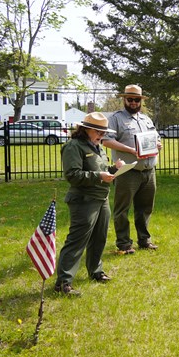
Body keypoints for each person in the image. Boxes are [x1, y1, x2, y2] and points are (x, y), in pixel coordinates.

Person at [55, 112, 124, 296]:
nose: (101, 135)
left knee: (99, 238)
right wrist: (99, 176)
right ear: (85, 129)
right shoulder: (73, 147)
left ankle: (96, 271)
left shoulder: (97, 147)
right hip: (83, 201)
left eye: (103, 132)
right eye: (98, 131)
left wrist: (114, 169)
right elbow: (73, 175)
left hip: (101, 199)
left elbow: (100, 170)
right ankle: (63, 283)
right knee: (77, 241)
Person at [102, 85, 161, 254]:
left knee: (145, 208)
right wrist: (130, 150)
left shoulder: (146, 119)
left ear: (141, 101)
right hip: (128, 171)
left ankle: (145, 240)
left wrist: (158, 145)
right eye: (130, 99)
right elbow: (106, 141)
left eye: (137, 99)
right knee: (122, 209)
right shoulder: (116, 119)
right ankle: (124, 243)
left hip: (148, 171)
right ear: (124, 100)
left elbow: (155, 138)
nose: (134, 102)